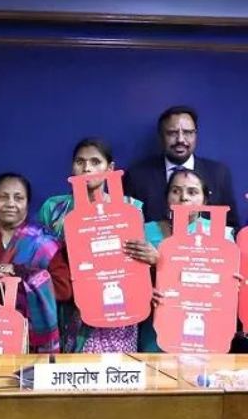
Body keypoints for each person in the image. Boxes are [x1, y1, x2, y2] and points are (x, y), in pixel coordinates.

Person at [38, 138, 144, 353]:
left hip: (117, 308)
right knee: (72, 379)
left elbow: (138, 259)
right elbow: (39, 257)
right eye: (80, 161)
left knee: (115, 378)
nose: (87, 168)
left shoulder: (131, 208)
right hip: (68, 307)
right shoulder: (54, 208)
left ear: (110, 168)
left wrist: (151, 255)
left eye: (96, 162)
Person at [0, 173, 72, 353]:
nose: (10, 204)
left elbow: (64, 289)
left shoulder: (43, 241)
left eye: (18, 198)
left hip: (31, 341)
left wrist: (18, 277)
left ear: (27, 204)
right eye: (2, 197)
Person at [122, 168, 237, 352]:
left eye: (192, 192)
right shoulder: (145, 232)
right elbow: (126, 279)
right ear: (167, 198)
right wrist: (143, 291)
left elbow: (221, 284)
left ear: (205, 199)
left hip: (204, 329)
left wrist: (160, 262)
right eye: (176, 191)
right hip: (156, 331)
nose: (184, 197)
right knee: (157, 379)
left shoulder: (222, 237)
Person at [125, 105, 239, 228]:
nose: (180, 140)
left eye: (188, 133)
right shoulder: (137, 176)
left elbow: (231, 227)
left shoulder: (219, 173)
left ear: (196, 135)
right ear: (161, 136)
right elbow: (128, 226)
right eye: (172, 133)